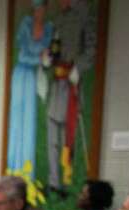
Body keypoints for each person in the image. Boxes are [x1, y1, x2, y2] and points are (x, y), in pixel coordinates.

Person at [44, 0, 97, 197]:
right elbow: (54, 47)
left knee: (69, 137)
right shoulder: (57, 19)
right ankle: (53, 182)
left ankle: (68, 181)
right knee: (52, 137)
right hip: (57, 84)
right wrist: (48, 59)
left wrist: (79, 67)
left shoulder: (84, 16)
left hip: (72, 85)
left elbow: (91, 48)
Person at [6, 0, 53, 175]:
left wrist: (46, 59)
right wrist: (39, 59)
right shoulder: (25, 25)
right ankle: (15, 167)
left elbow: (49, 51)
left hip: (34, 77)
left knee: (29, 121)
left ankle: (27, 170)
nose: (39, 12)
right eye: (36, 8)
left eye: (42, 8)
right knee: (17, 121)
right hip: (21, 75)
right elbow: (22, 55)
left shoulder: (48, 28)